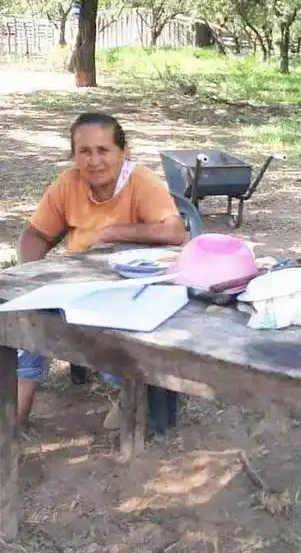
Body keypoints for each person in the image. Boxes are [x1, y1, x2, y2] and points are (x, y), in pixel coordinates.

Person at [16, 112, 186, 426]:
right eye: (85, 152)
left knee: (113, 352)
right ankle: (13, 421)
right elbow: (36, 235)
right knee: (26, 326)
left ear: (123, 152)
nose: (94, 161)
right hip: (75, 284)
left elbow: (174, 232)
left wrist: (112, 233)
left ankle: (140, 395)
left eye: (103, 150)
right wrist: (31, 276)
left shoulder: (140, 181)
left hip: (125, 290)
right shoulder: (68, 183)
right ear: (75, 155)